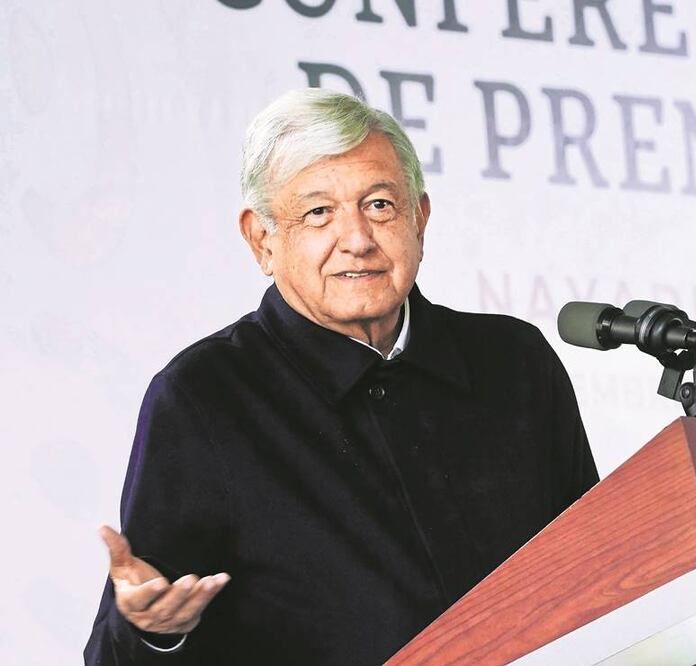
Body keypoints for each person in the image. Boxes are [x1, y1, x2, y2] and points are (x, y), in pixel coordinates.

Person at [84, 88, 598, 665]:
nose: (357, 239)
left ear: (420, 218)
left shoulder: (512, 361)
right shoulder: (205, 396)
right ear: (263, 240)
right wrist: (156, 632)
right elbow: (115, 654)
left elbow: (600, 569)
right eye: (318, 213)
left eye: (379, 205)